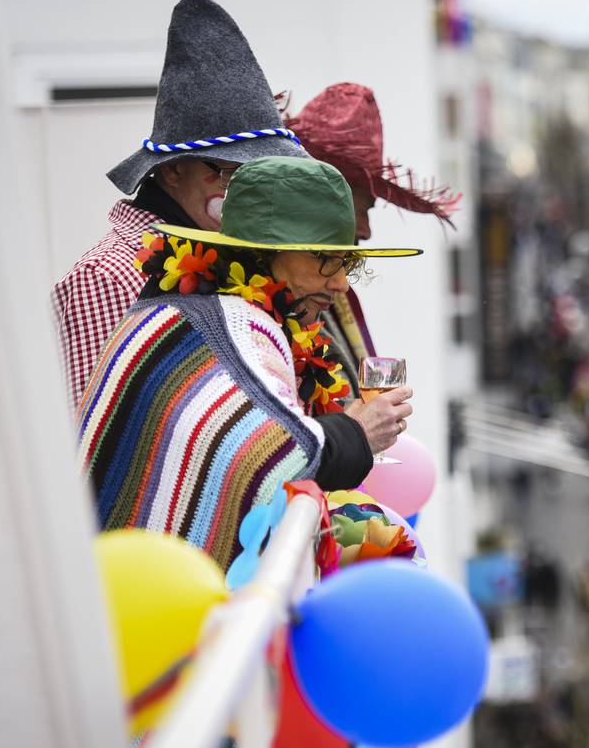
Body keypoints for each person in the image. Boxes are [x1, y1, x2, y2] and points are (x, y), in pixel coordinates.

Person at [77, 155, 421, 573]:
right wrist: (359, 432)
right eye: (325, 259)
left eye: (346, 262)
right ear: (264, 255)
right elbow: (280, 454)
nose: (340, 282)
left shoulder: (189, 314)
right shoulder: (230, 323)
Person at [51, 0, 306, 411]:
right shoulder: (106, 277)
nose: (251, 192)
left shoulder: (231, 264)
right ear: (171, 171)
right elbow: (88, 447)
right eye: (232, 172)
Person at [284, 82, 460, 391]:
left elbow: (365, 399)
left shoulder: (337, 299)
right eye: (362, 208)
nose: (366, 230)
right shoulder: (259, 314)